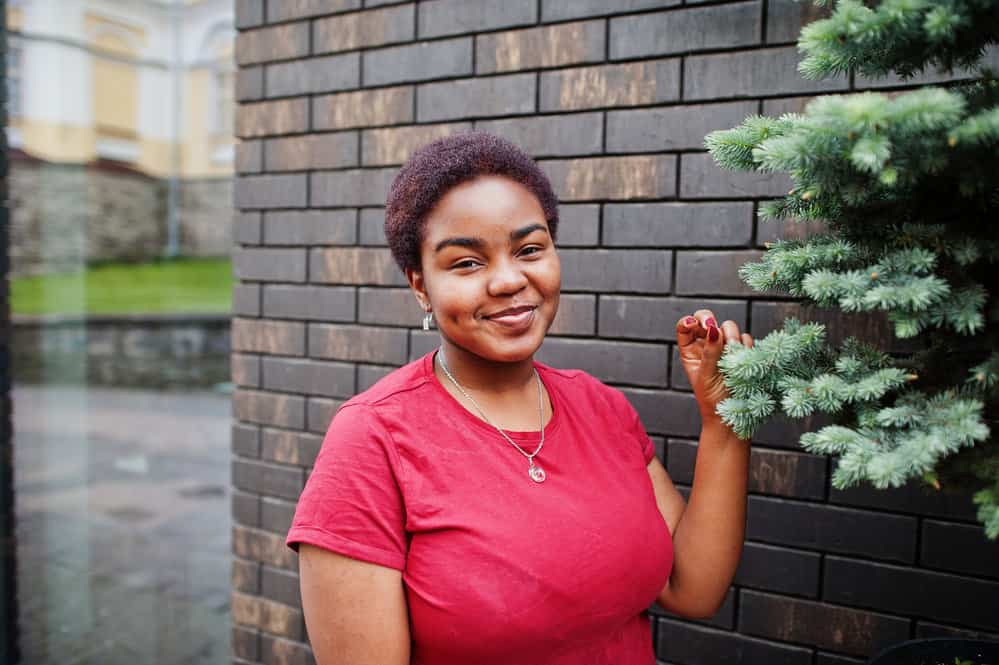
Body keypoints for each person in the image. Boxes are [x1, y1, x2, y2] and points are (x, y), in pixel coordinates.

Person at [285, 131, 754, 665]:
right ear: (421, 286)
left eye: (529, 249)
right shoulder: (374, 439)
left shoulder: (601, 408)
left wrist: (724, 422)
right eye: (466, 262)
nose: (510, 280)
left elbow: (692, 588)